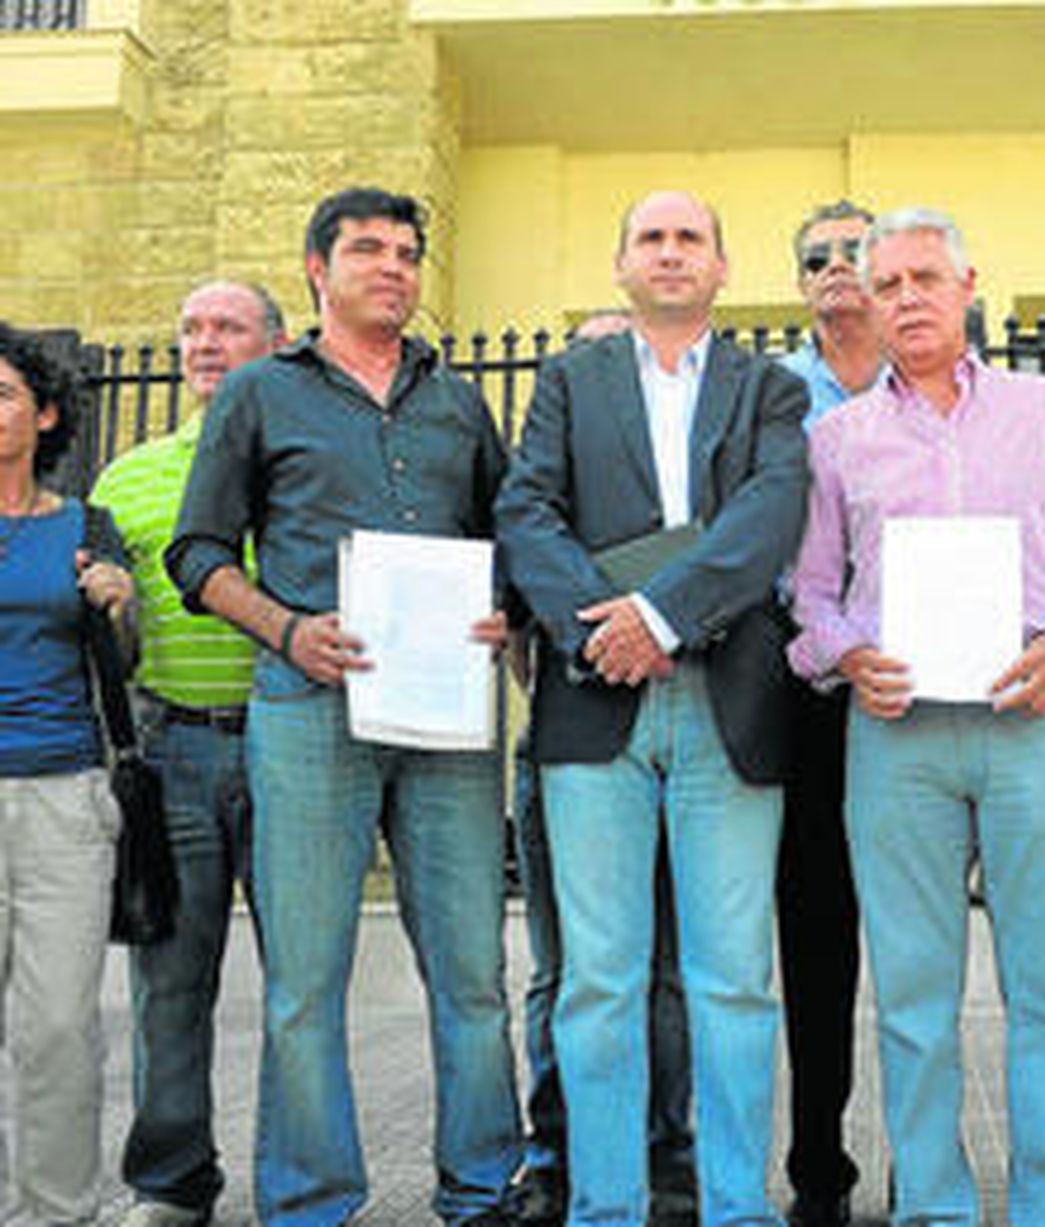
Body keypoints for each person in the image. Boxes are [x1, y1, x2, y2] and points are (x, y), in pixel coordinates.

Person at [166, 187, 522, 1227]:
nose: (393, 268)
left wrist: (503, 607)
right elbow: (197, 554)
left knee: (472, 973)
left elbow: (509, 539)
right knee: (305, 982)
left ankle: (482, 1191)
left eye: (407, 253)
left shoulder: (458, 403)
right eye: (368, 249)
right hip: (308, 703)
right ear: (318, 269)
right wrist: (287, 630)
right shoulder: (258, 393)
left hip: (447, 715)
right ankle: (312, 1203)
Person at [788, 206, 1045, 1227]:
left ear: (967, 287)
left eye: (924, 279)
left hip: (1035, 717)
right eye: (887, 284)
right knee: (911, 994)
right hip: (897, 737)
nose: (906, 299)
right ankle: (934, 1207)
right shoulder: (836, 439)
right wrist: (844, 654)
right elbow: (809, 593)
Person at [495, 189, 808, 1227]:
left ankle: (737, 1207)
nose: (670, 253)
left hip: (731, 706)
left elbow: (770, 515)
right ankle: (605, 1208)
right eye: (651, 238)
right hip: (597, 707)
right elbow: (526, 509)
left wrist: (659, 617)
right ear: (622, 264)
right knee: (598, 980)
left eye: (690, 238)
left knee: (733, 980)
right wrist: (603, 631)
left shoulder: (769, 387)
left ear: (721, 266)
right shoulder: (567, 381)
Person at [91, 279, 286, 1227]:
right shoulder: (125, 479)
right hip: (173, 748)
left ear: (275, 345)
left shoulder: (300, 466)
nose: (205, 343)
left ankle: (298, 1183)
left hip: (294, 745)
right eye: (191, 329)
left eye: (228, 327)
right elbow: (102, 642)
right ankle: (171, 1184)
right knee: (169, 984)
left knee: (302, 985)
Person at [512, 304, 696, 1227]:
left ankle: (666, 1152)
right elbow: (508, 609)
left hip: (679, 734)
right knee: (566, 970)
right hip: (569, 739)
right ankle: (556, 1152)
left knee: (667, 968)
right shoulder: (539, 485)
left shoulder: (668, 481)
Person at [0, 321, 137, 1225]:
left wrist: (118, 606)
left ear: (46, 414)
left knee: (57, 1027)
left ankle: (56, 1213)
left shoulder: (86, 527)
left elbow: (123, 664)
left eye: (2, 394)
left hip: (63, 795)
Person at [775, 199, 882, 1227]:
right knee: (815, 936)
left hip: (921, 682)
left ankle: (932, 1161)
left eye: (858, 250)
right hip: (804, 688)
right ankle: (819, 1169)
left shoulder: (940, 383)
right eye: (819, 257)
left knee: (923, 939)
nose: (839, 267)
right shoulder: (772, 394)